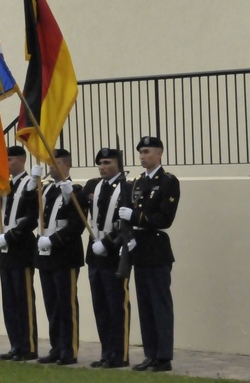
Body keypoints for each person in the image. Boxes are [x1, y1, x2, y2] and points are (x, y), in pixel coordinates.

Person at [119, 136, 180, 373]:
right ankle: (150, 354)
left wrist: (134, 217)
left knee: (159, 304)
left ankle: (163, 356)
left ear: (159, 153)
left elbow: (164, 219)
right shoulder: (136, 183)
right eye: (140, 152)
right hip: (139, 248)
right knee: (145, 305)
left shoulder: (168, 182)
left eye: (146, 151)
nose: (142, 156)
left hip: (156, 248)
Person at [80, 146, 131, 369]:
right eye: (100, 163)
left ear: (118, 164)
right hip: (95, 254)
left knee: (116, 306)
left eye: (107, 163)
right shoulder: (93, 186)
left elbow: (126, 224)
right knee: (100, 307)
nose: (102, 167)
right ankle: (106, 352)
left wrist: (109, 243)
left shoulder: (127, 187)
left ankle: (120, 354)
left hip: (113, 254)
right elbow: (77, 203)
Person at [33, 148, 84, 365]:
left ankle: (69, 349)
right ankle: (56, 347)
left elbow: (77, 224)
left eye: (54, 163)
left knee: (66, 304)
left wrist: (54, 240)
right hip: (46, 255)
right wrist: (31, 182)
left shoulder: (76, 191)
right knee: (51, 304)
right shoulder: (47, 190)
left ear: (66, 165)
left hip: (65, 254)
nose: (50, 167)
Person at [0, 145, 39, 361]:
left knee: (23, 299)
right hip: (5, 249)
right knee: (9, 300)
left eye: (10, 159)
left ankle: (29, 345)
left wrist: (11, 236)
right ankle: (16, 344)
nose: (7, 163)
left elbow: (32, 218)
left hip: (21, 246)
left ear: (22, 160)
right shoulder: (4, 185)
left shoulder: (29, 183)